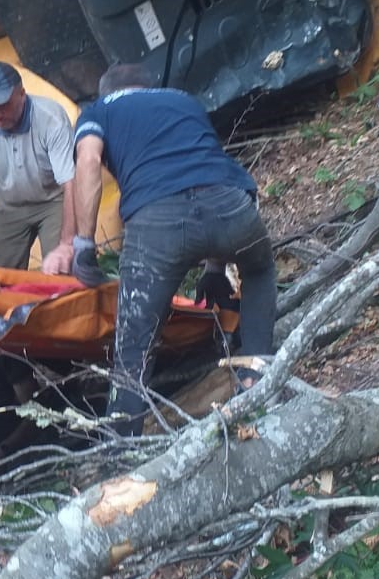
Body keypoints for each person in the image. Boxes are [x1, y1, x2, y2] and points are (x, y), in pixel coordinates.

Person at [65, 62, 276, 428]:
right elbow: (200, 167)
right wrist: (214, 266)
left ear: (107, 92)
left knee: (133, 348)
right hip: (231, 207)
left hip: (156, 225)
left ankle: (120, 453)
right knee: (259, 269)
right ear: (149, 87)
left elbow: (87, 162)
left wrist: (83, 244)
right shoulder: (183, 101)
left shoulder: (97, 112)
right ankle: (257, 384)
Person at [0, 60, 77, 271]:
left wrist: (67, 244)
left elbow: (71, 185)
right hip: (8, 205)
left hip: (54, 201)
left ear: (21, 93)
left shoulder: (51, 119)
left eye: (3, 105)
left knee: (63, 270)